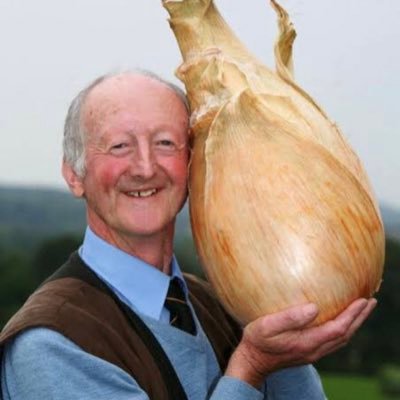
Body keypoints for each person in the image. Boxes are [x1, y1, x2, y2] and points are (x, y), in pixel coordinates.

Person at [0, 70, 376, 400]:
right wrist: (250, 366)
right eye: (119, 146)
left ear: (195, 164)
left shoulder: (224, 305)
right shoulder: (53, 344)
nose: (145, 167)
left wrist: (289, 353)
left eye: (165, 142)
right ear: (74, 175)